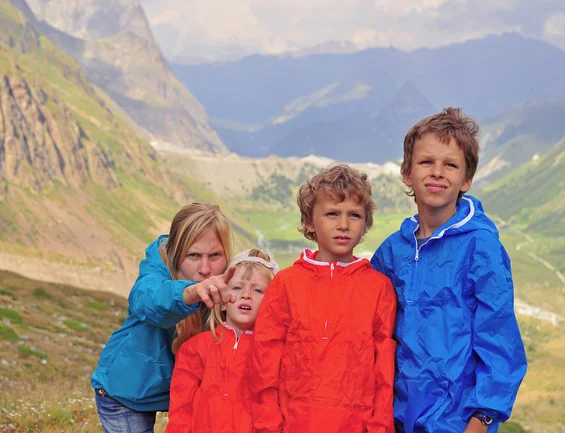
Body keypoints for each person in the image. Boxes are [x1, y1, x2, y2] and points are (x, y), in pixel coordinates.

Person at [371, 107, 527, 433]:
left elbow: (499, 342)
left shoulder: (481, 248)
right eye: (426, 162)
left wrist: (482, 419)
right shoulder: (391, 252)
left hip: (458, 423)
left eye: (451, 165)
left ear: (466, 179)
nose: (437, 172)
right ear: (406, 173)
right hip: (395, 418)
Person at [248, 164, 397, 433]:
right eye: (331, 214)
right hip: (293, 424)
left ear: (365, 224)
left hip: (357, 425)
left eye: (354, 215)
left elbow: (384, 370)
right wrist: (268, 424)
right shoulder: (287, 283)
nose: (343, 225)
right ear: (309, 222)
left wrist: (380, 427)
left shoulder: (379, 288)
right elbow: (265, 361)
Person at [91, 202, 239, 433]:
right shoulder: (156, 268)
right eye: (194, 255)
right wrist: (190, 293)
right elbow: (147, 302)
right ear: (176, 254)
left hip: (180, 394)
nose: (205, 268)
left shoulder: (230, 279)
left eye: (215, 255)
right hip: (125, 391)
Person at [166, 248, 280, 433]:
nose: (246, 295)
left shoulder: (275, 354)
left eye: (257, 290)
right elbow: (181, 410)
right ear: (223, 299)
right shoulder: (195, 348)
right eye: (237, 287)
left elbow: (271, 411)